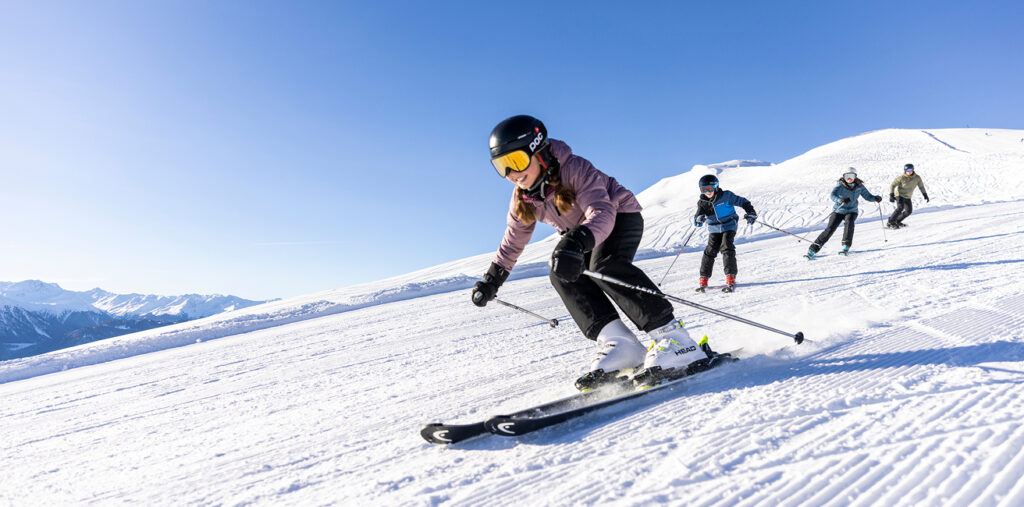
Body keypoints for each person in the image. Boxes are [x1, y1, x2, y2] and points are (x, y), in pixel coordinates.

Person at [471, 115, 722, 390]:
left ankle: (675, 340)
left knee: (605, 265)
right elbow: (512, 242)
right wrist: (493, 279)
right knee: (562, 274)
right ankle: (622, 345)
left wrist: (578, 241)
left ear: (539, 152)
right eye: (502, 167)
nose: (512, 174)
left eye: (516, 161)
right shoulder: (523, 198)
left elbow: (602, 211)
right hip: (580, 234)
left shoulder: (574, 168)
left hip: (618, 217)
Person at [692, 175, 757, 293]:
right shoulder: (702, 202)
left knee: (726, 247)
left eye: (710, 189)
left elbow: (743, 202)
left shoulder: (726, 196)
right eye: (703, 189)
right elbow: (697, 217)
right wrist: (698, 219)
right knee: (710, 251)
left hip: (729, 225)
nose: (707, 192)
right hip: (714, 229)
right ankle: (704, 278)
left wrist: (751, 212)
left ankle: (730, 276)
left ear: (716, 187)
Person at [804, 168, 882, 259]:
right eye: (847, 176)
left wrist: (875, 198)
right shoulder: (840, 185)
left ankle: (846, 246)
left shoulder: (860, 186)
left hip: (852, 210)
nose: (849, 178)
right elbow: (833, 195)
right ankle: (813, 249)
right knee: (830, 229)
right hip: (839, 210)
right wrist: (841, 200)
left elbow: (867, 196)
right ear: (844, 177)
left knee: (849, 222)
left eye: (851, 176)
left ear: (855, 176)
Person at [887, 163, 929, 228]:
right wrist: (891, 194)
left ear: (913, 170)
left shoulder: (917, 178)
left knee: (908, 211)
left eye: (911, 170)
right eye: (907, 170)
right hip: (900, 195)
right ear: (905, 171)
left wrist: (925, 194)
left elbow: (921, 186)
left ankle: (897, 221)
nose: (909, 172)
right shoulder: (901, 178)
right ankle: (890, 222)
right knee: (900, 207)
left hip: (908, 196)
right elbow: (892, 185)